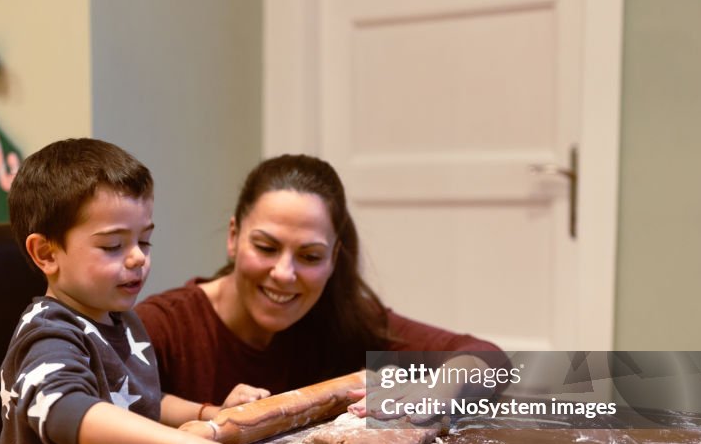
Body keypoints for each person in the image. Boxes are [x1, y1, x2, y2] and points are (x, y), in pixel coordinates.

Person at [0, 138, 291, 444]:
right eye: (113, 246)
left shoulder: (119, 320)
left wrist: (208, 413)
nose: (138, 258)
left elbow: (138, 399)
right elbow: (62, 408)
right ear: (46, 253)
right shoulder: (49, 332)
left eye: (145, 241)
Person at [135, 154, 503, 417]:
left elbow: (488, 358)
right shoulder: (164, 326)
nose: (283, 273)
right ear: (234, 236)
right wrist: (211, 415)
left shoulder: (340, 319)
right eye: (266, 247)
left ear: (334, 257)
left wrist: (440, 389)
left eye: (310, 256)